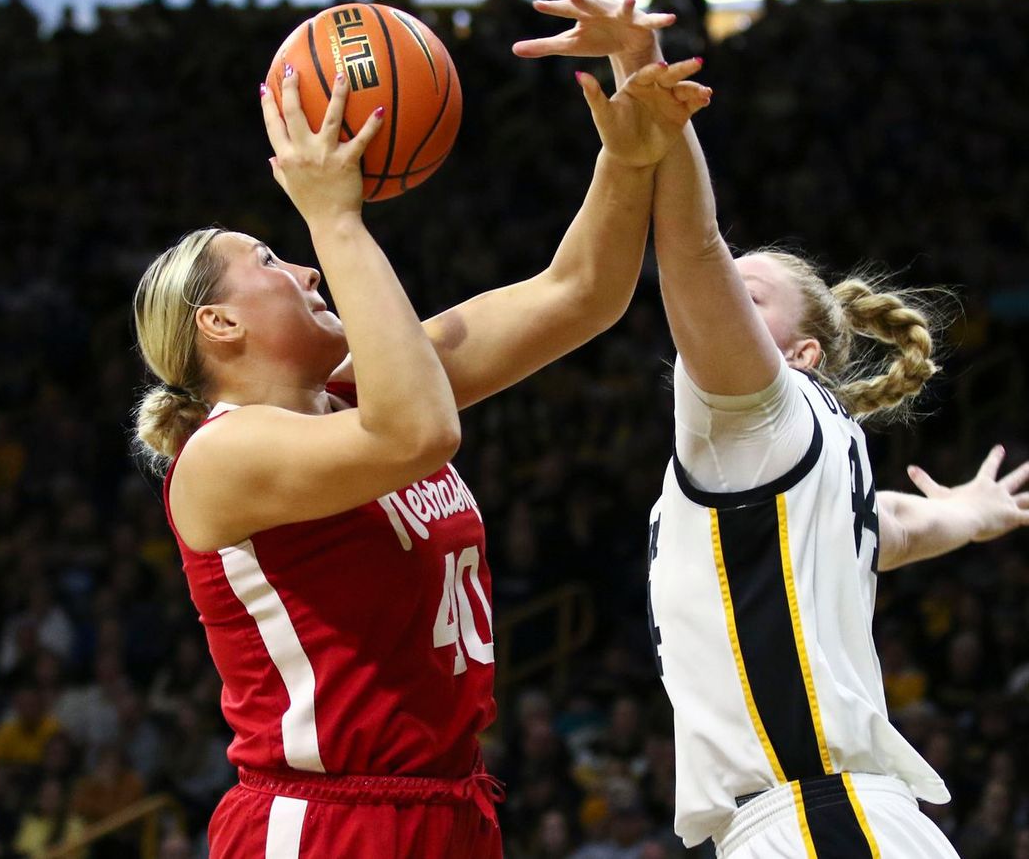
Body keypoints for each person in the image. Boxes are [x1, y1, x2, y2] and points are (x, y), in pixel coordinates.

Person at [131, 55, 709, 856]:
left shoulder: (365, 390)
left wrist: (627, 155)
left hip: (449, 804)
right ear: (218, 326)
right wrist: (334, 220)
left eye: (291, 250)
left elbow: (581, 293)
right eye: (267, 261)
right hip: (327, 820)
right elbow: (419, 435)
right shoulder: (221, 456)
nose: (301, 268)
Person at [514, 0, 1029, 857]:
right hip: (826, 821)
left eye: (750, 302)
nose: (723, 308)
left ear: (801, 354)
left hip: (817, 821)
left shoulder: (766, 417)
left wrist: (643, 78)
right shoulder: (782, 470)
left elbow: (694, 249)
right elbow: (895, 527)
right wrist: (974, 516)